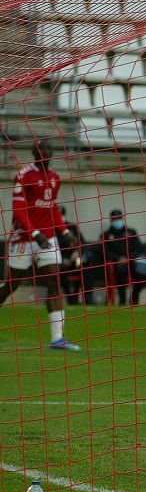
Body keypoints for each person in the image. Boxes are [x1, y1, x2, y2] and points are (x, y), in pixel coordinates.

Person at [0, 141, 79, 349]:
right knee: (12, 285)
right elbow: (18, 210)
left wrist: (64, 231)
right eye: (40, 150)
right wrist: (34, 233)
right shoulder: (24, 175)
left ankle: (57, 339)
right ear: (34, 153)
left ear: (51, 153)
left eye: (47, 150)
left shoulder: (55, 177)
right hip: (23, 238)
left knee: (54, 281)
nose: (44, 153)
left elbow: (51, 208)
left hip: (48, 238)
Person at [101, 210, 146, 306]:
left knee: (142, 272)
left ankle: (134, 297)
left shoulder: (131, 232)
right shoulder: (106, 235)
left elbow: (139, 248)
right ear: (111, 220)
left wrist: (129, 258)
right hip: (117, 264)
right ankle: (122, 299)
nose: (117, 221)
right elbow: (105, 252)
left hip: (132, 262)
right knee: (120, 273)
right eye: (115, 219)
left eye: (119, 218)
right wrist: (118, 259)